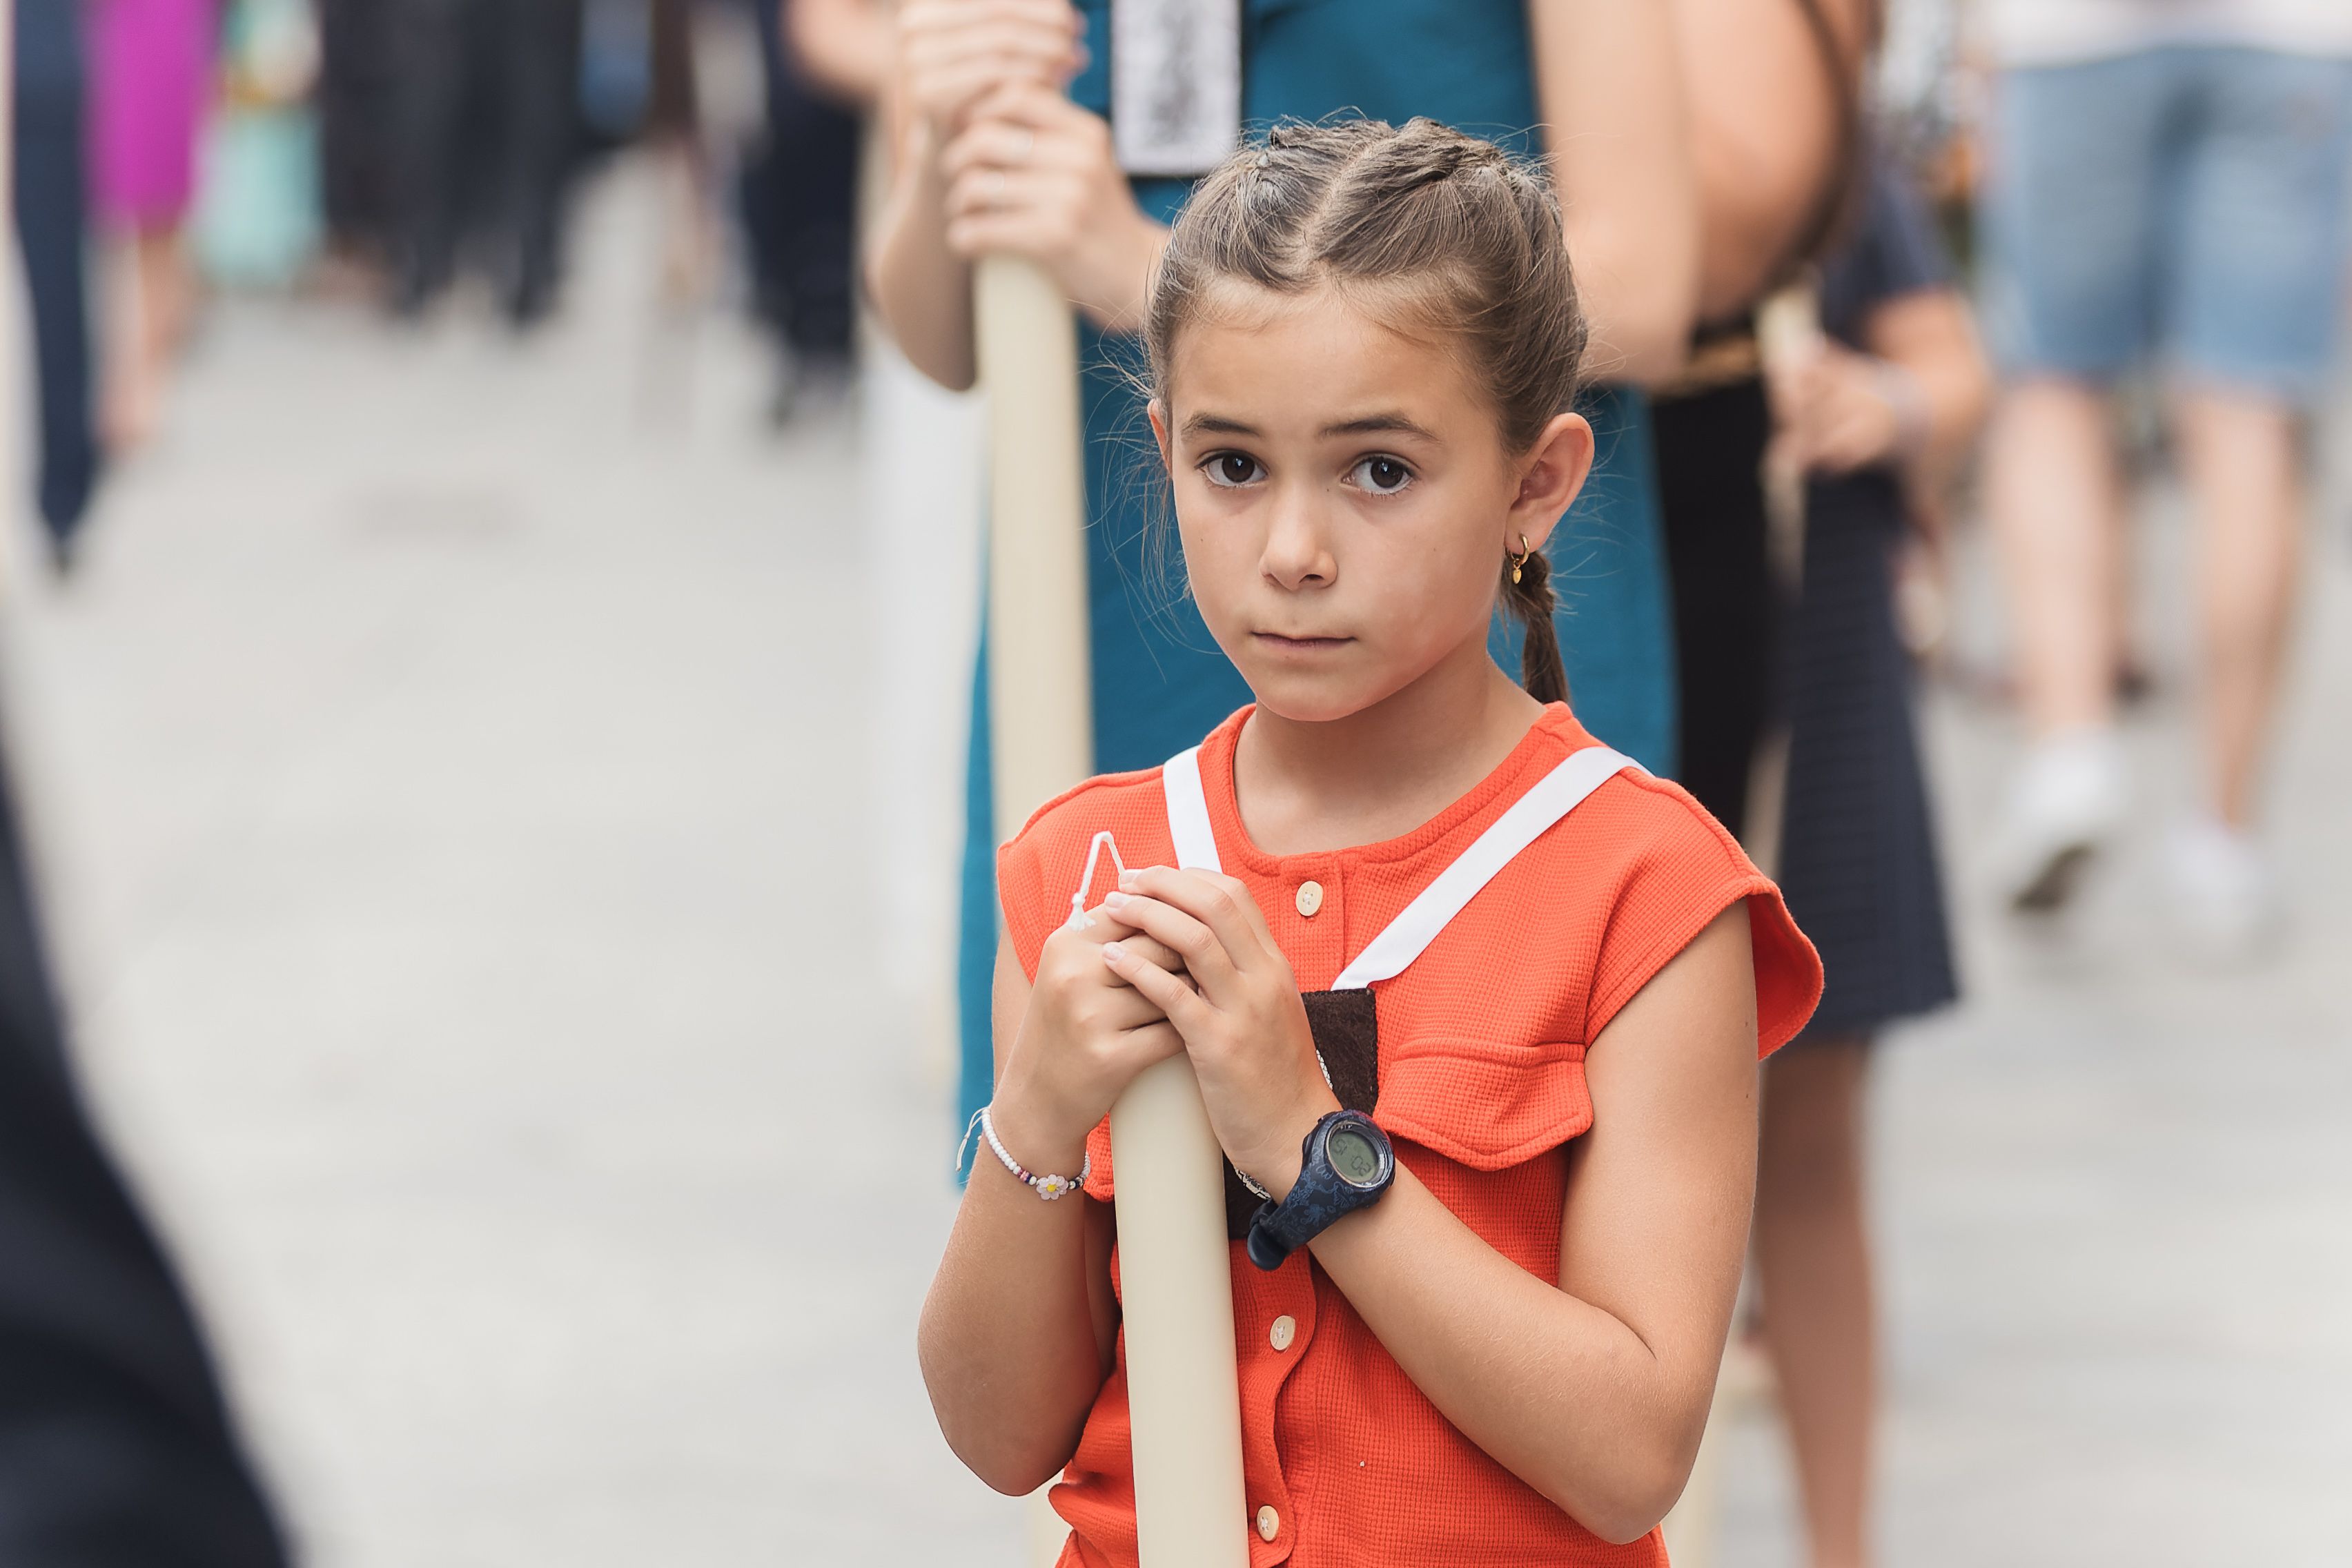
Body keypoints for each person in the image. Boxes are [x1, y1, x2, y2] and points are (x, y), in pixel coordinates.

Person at [919, 120, 1823, 1564]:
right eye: (1231, 464)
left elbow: (1631, 1450)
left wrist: (1307, 1150)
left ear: (1538, 482)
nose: (1292, 549)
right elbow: (997, 1432)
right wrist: (1030, 1124)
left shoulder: (1647, 889)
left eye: (1379, 472)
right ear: (1162, 451)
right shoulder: (1088, 866)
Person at [866, 0, 1705, 1157]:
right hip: (1127, 591)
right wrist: (943, 151)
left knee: (1497, 1169)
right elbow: (938, 330)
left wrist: (1149, 273)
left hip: (1446, 596)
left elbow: (1647, 283)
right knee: (1077, 1165)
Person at [1974, 0, 2352, 940]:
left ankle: (2072, 754)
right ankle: (2223, 840)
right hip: (2285, 39)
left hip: (2070, 40)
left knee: (2054, 395)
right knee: (2249, 418)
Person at [1754, 144, 1986, 1568]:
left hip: (1814, 637)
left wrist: (1879, 400)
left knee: (1815, 1119)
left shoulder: (1817, 147)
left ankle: (1845, 1544)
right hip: (1619, 631)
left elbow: (1950, 364)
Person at [88, 0, 219, 451]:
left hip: (166, 39)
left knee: (160, 226)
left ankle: (145, 387)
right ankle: (125, 380)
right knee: (121, 227)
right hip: (115, 41)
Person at [14, 0, 101, 570]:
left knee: (57, 294)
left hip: (40, 69)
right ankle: (65, 497)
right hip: (40, 63)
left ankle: (65, 496)